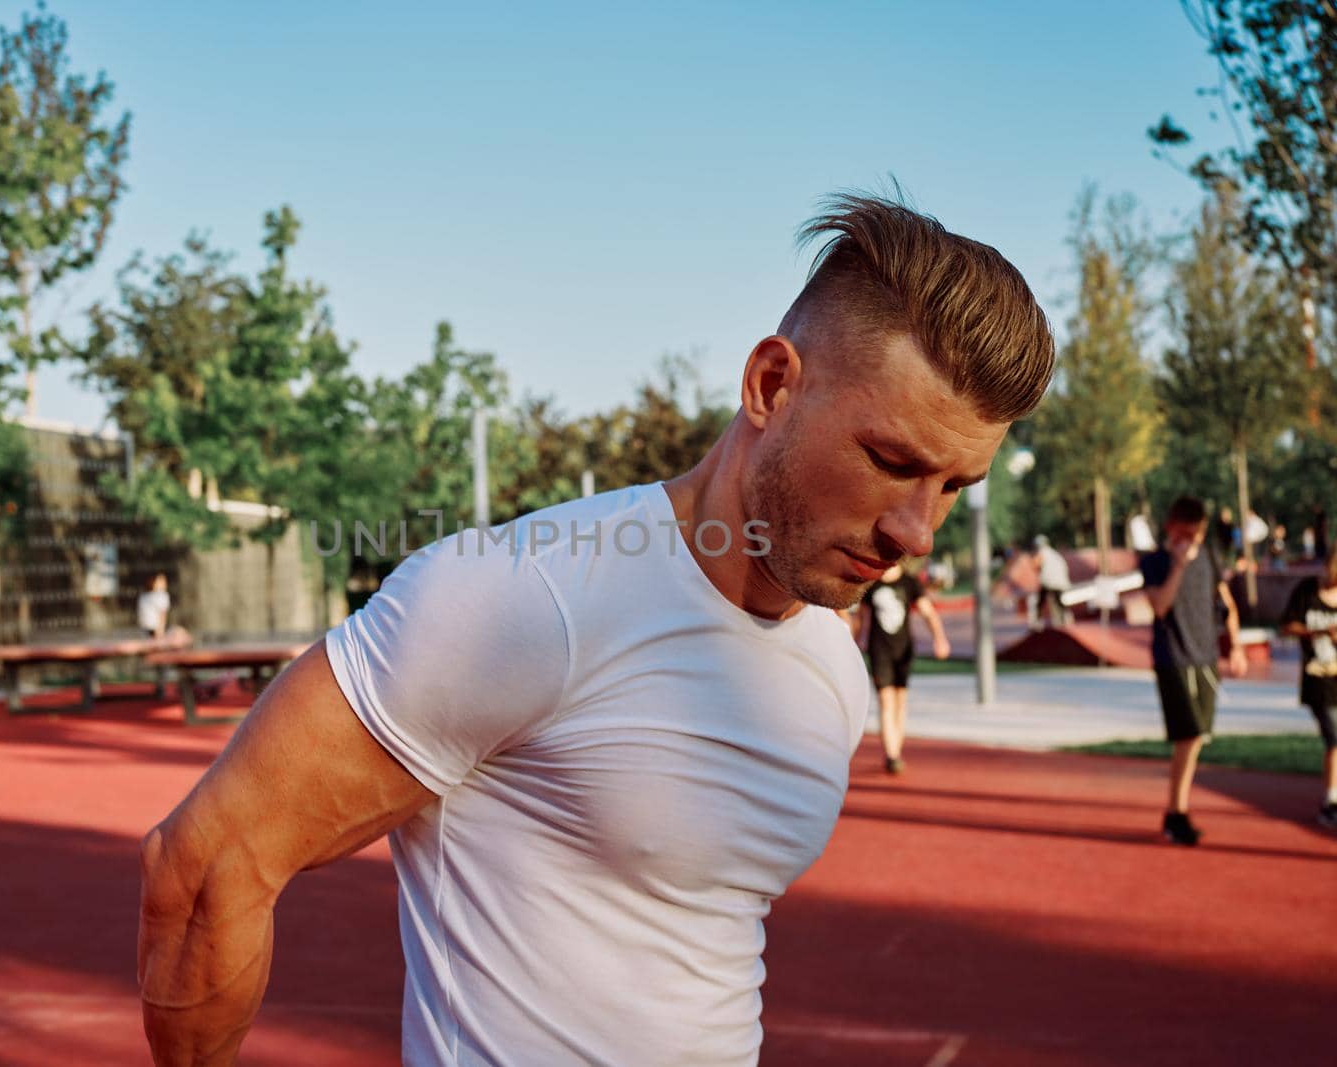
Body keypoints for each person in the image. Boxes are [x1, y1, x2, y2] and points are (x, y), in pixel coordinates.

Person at [136, 195, 1056, 1066]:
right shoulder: (528, 597)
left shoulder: (829, 667)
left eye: (952, 487)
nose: (917, 531)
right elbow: (208, 863)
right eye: (891, 461)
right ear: (772, 384)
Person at [1140, 496, 1249, 847]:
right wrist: (1179, 565)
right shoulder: (1156, 561)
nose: (1194, 539)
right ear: (1172, 527)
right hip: (1174, 658)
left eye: (1199, 533)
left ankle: (1176, 812)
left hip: (1206, 657)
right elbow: (1159, 607)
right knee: (1189, 735)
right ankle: (1176, 812)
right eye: (1188, 532)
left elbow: (1226, 602)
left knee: (1197, 738)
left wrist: (1236, 646)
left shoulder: (1210, 556)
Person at [860, 563, 951, 773]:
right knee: (885, 700)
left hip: (903, 650)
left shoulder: (910, 583)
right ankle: (891, 755)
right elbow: (863, 619)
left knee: (900, 701)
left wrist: (940, 639)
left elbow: (928, 612)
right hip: (878, 649)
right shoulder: (872, 583)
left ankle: (896, 751)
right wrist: (856, 641)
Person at [1276, 553, 1337, 829]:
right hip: (1318, 678)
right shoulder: (1307, 591)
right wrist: (1320, 632)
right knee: (1334, 737)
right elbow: (1286, 626)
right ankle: (1331, 800)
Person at [1031, 534, 1070, 629]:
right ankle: (1065, 619)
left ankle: (1037, 621)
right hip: (1061, 581)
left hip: (1048, 581)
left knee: (1040, 601)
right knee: (1059, 600)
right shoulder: (1054, 554)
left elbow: (1035, 565)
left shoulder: (1041, 552)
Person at [137, 574, 171, 639]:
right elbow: (162, 614)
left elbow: (162, 614)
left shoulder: (144, 596)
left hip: (149, 628)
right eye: (161, 581)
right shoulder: (160, 595)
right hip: (151, 627)